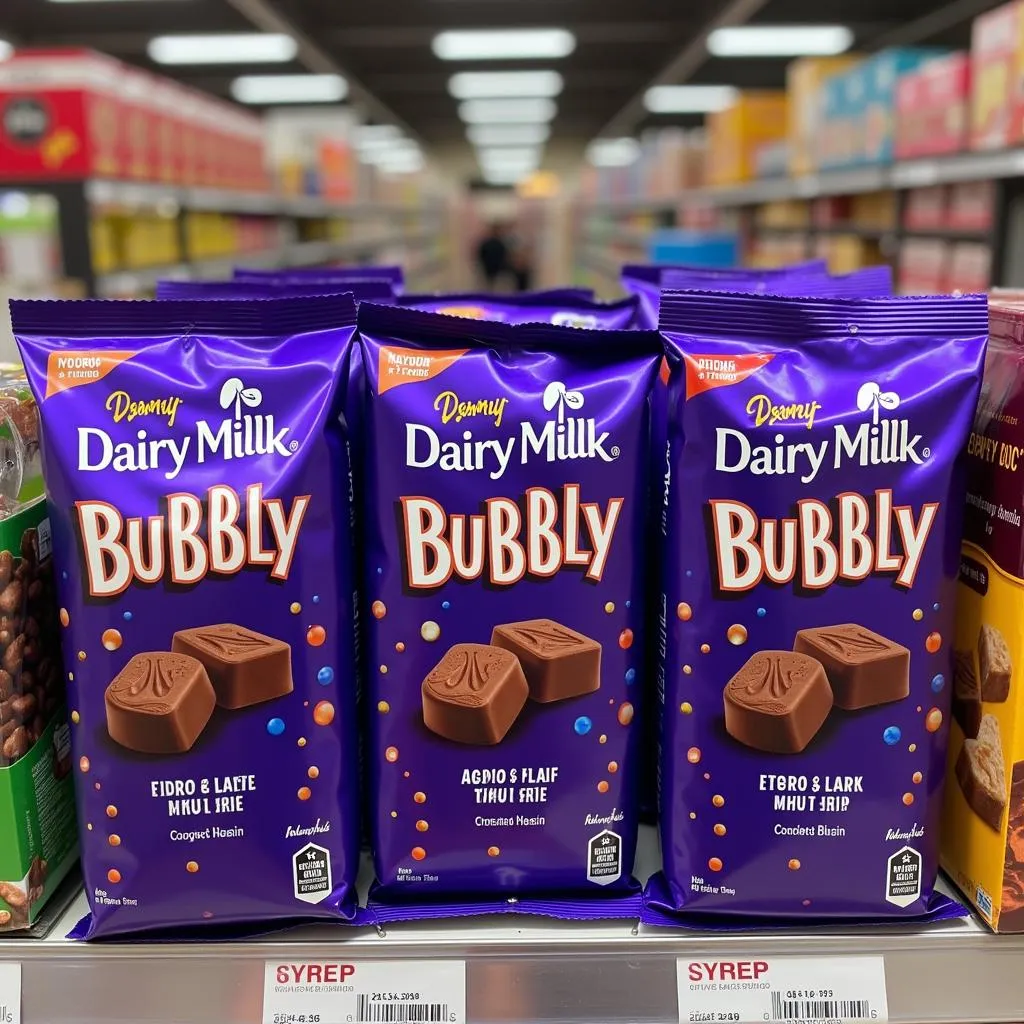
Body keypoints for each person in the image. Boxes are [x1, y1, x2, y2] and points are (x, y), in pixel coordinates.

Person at [476, 223, 508, 289]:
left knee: (492, 284)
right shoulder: (499, 244)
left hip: (493, 267)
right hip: (492, 267)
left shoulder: (498, 243)